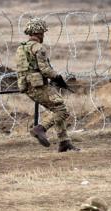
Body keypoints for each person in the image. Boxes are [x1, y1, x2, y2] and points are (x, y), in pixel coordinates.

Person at [17, 18, 79, 152]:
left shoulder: (21, 48)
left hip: (28, 86)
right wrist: (58, 78)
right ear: (38, 33)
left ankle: (64, 142)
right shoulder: (38, 48)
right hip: (39, 86)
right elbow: (45, 69)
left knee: (57, 108)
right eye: (43, 33)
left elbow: (27, 69)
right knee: (62, 110)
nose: (43, 35)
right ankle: (40, 129)